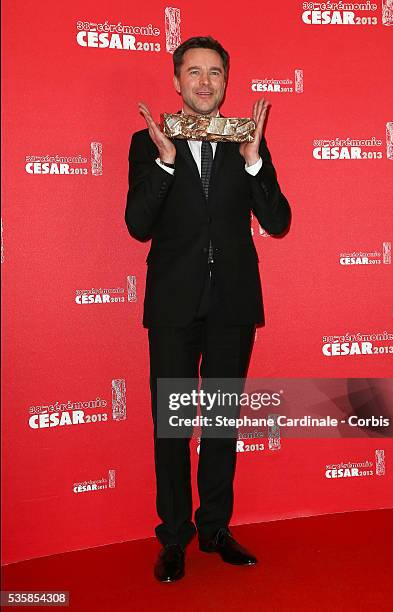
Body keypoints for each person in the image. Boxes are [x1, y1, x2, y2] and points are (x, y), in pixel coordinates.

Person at [125, 35, 291, 582]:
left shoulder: (248, 142)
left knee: (220, 421)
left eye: (214, 72)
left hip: (232, 303)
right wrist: (167, 164)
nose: (204, 82)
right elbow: (137, 225)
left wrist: (253, 164)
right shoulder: (147, 143)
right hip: (173, 304)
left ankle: (215, 529)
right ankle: (174, 538)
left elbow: (278, 220)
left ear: (226, 82)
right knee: (171, 428)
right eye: (193, 72)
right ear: (176, 81)